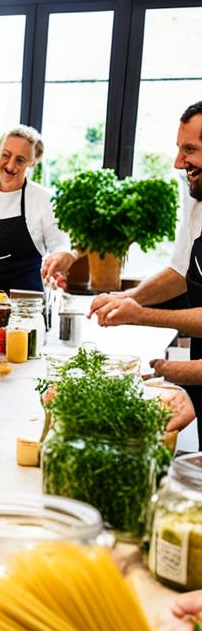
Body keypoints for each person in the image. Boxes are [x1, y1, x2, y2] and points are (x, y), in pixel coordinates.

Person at [87, 102, 202, 407]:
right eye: (179, 149)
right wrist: (129, 298)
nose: (179, 162)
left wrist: (140, 315)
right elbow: (180, 272)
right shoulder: (196, 197)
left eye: (189, 149)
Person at [0, 125, 77, 290]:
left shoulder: (44, 200)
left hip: (26, 305)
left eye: (20, 160)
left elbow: (60, 244)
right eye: (5, 155)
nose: (10, 166)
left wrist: (63, 255)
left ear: (32, 162)